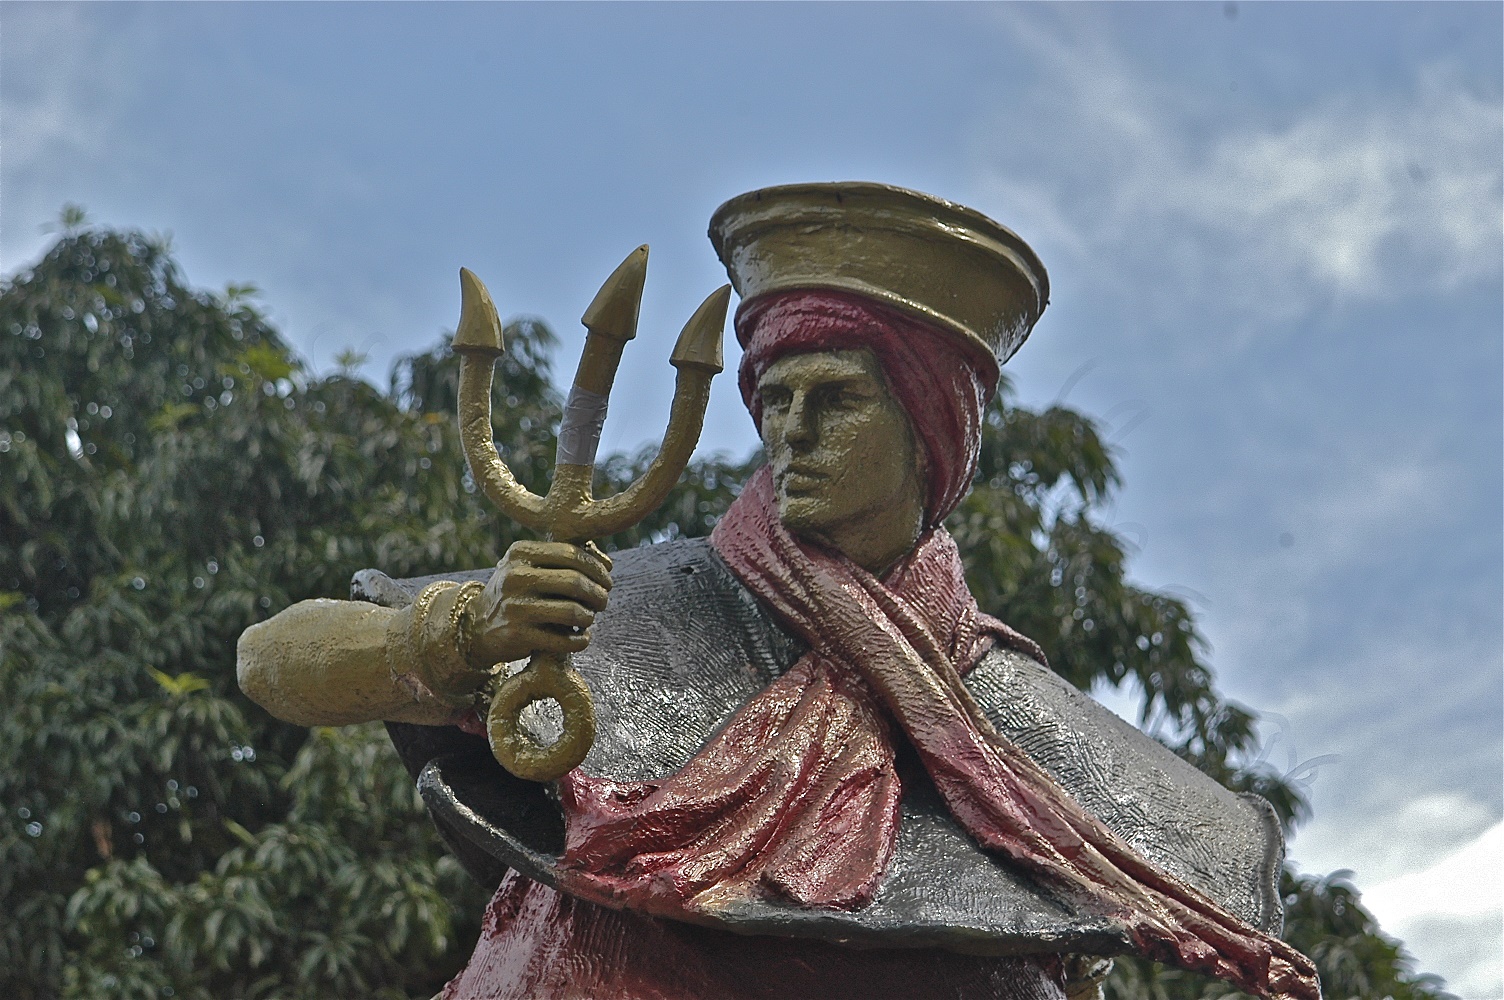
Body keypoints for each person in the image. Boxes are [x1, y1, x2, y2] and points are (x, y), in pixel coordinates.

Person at [238, 183, 1319, 1000]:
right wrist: (465, 631)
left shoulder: (1019, 747)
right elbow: (273, 659)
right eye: (774, 396)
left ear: (930, 427)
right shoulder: (630, 605)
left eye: (835, 398)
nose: (788, 431)